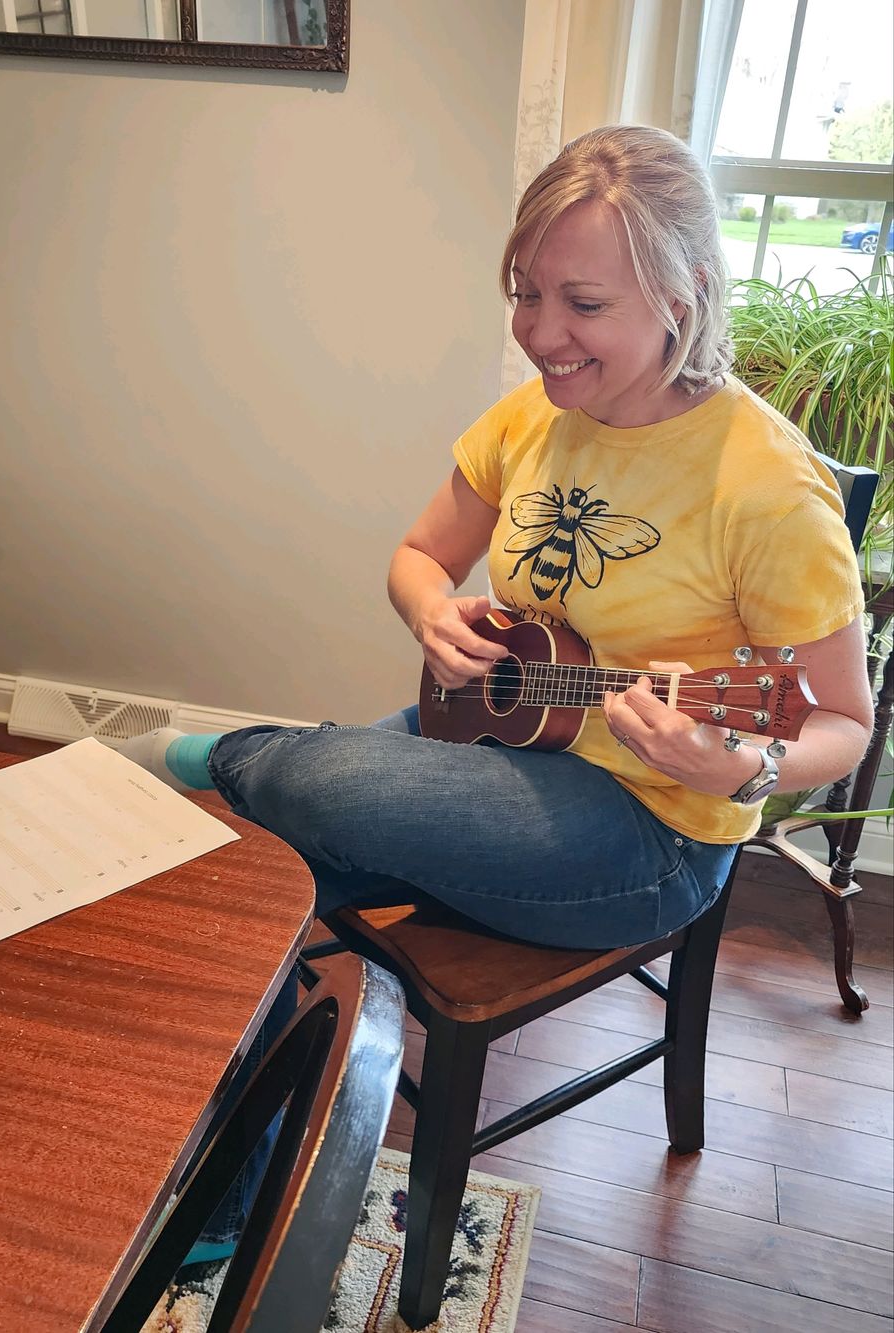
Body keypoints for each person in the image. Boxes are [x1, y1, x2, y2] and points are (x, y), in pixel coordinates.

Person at [122, 124, 874, 1259]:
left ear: (685, 295)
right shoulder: (533, 416)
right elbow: (419, 555)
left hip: (644, 834)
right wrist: (429, 609)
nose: (540, 334)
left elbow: (839, 722)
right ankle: (227, 1211)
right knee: (238, 881)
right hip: (490, 743)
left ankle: (212, 752)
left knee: (292, 790)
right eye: (525, 293)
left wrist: (738, 765)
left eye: (581, 303)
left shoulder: (768, 489)